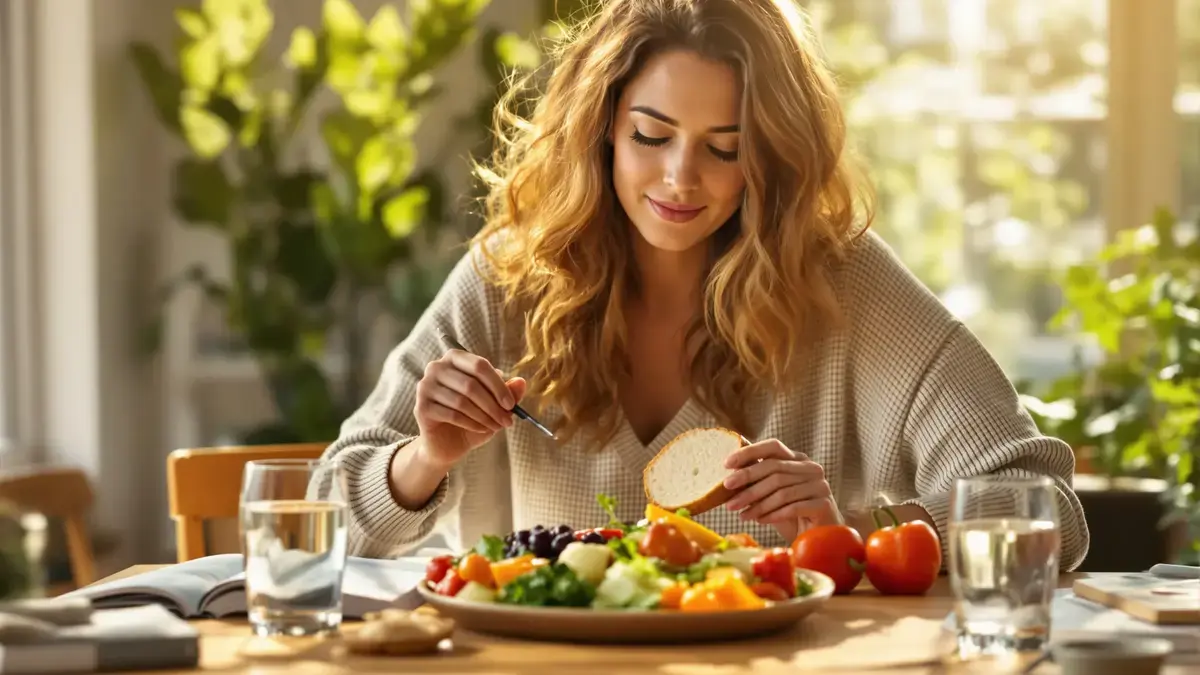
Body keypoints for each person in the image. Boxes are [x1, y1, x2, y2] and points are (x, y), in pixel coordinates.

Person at [321, 0, 1089, 569]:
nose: (681, 179)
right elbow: (325, 519)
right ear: (602, 130)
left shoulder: (845, 283)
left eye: (726, 149)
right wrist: (424, 457)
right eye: (651, 136)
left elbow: (1046, 509)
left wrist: (855, 531)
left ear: (772, 157)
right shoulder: (507, 280)